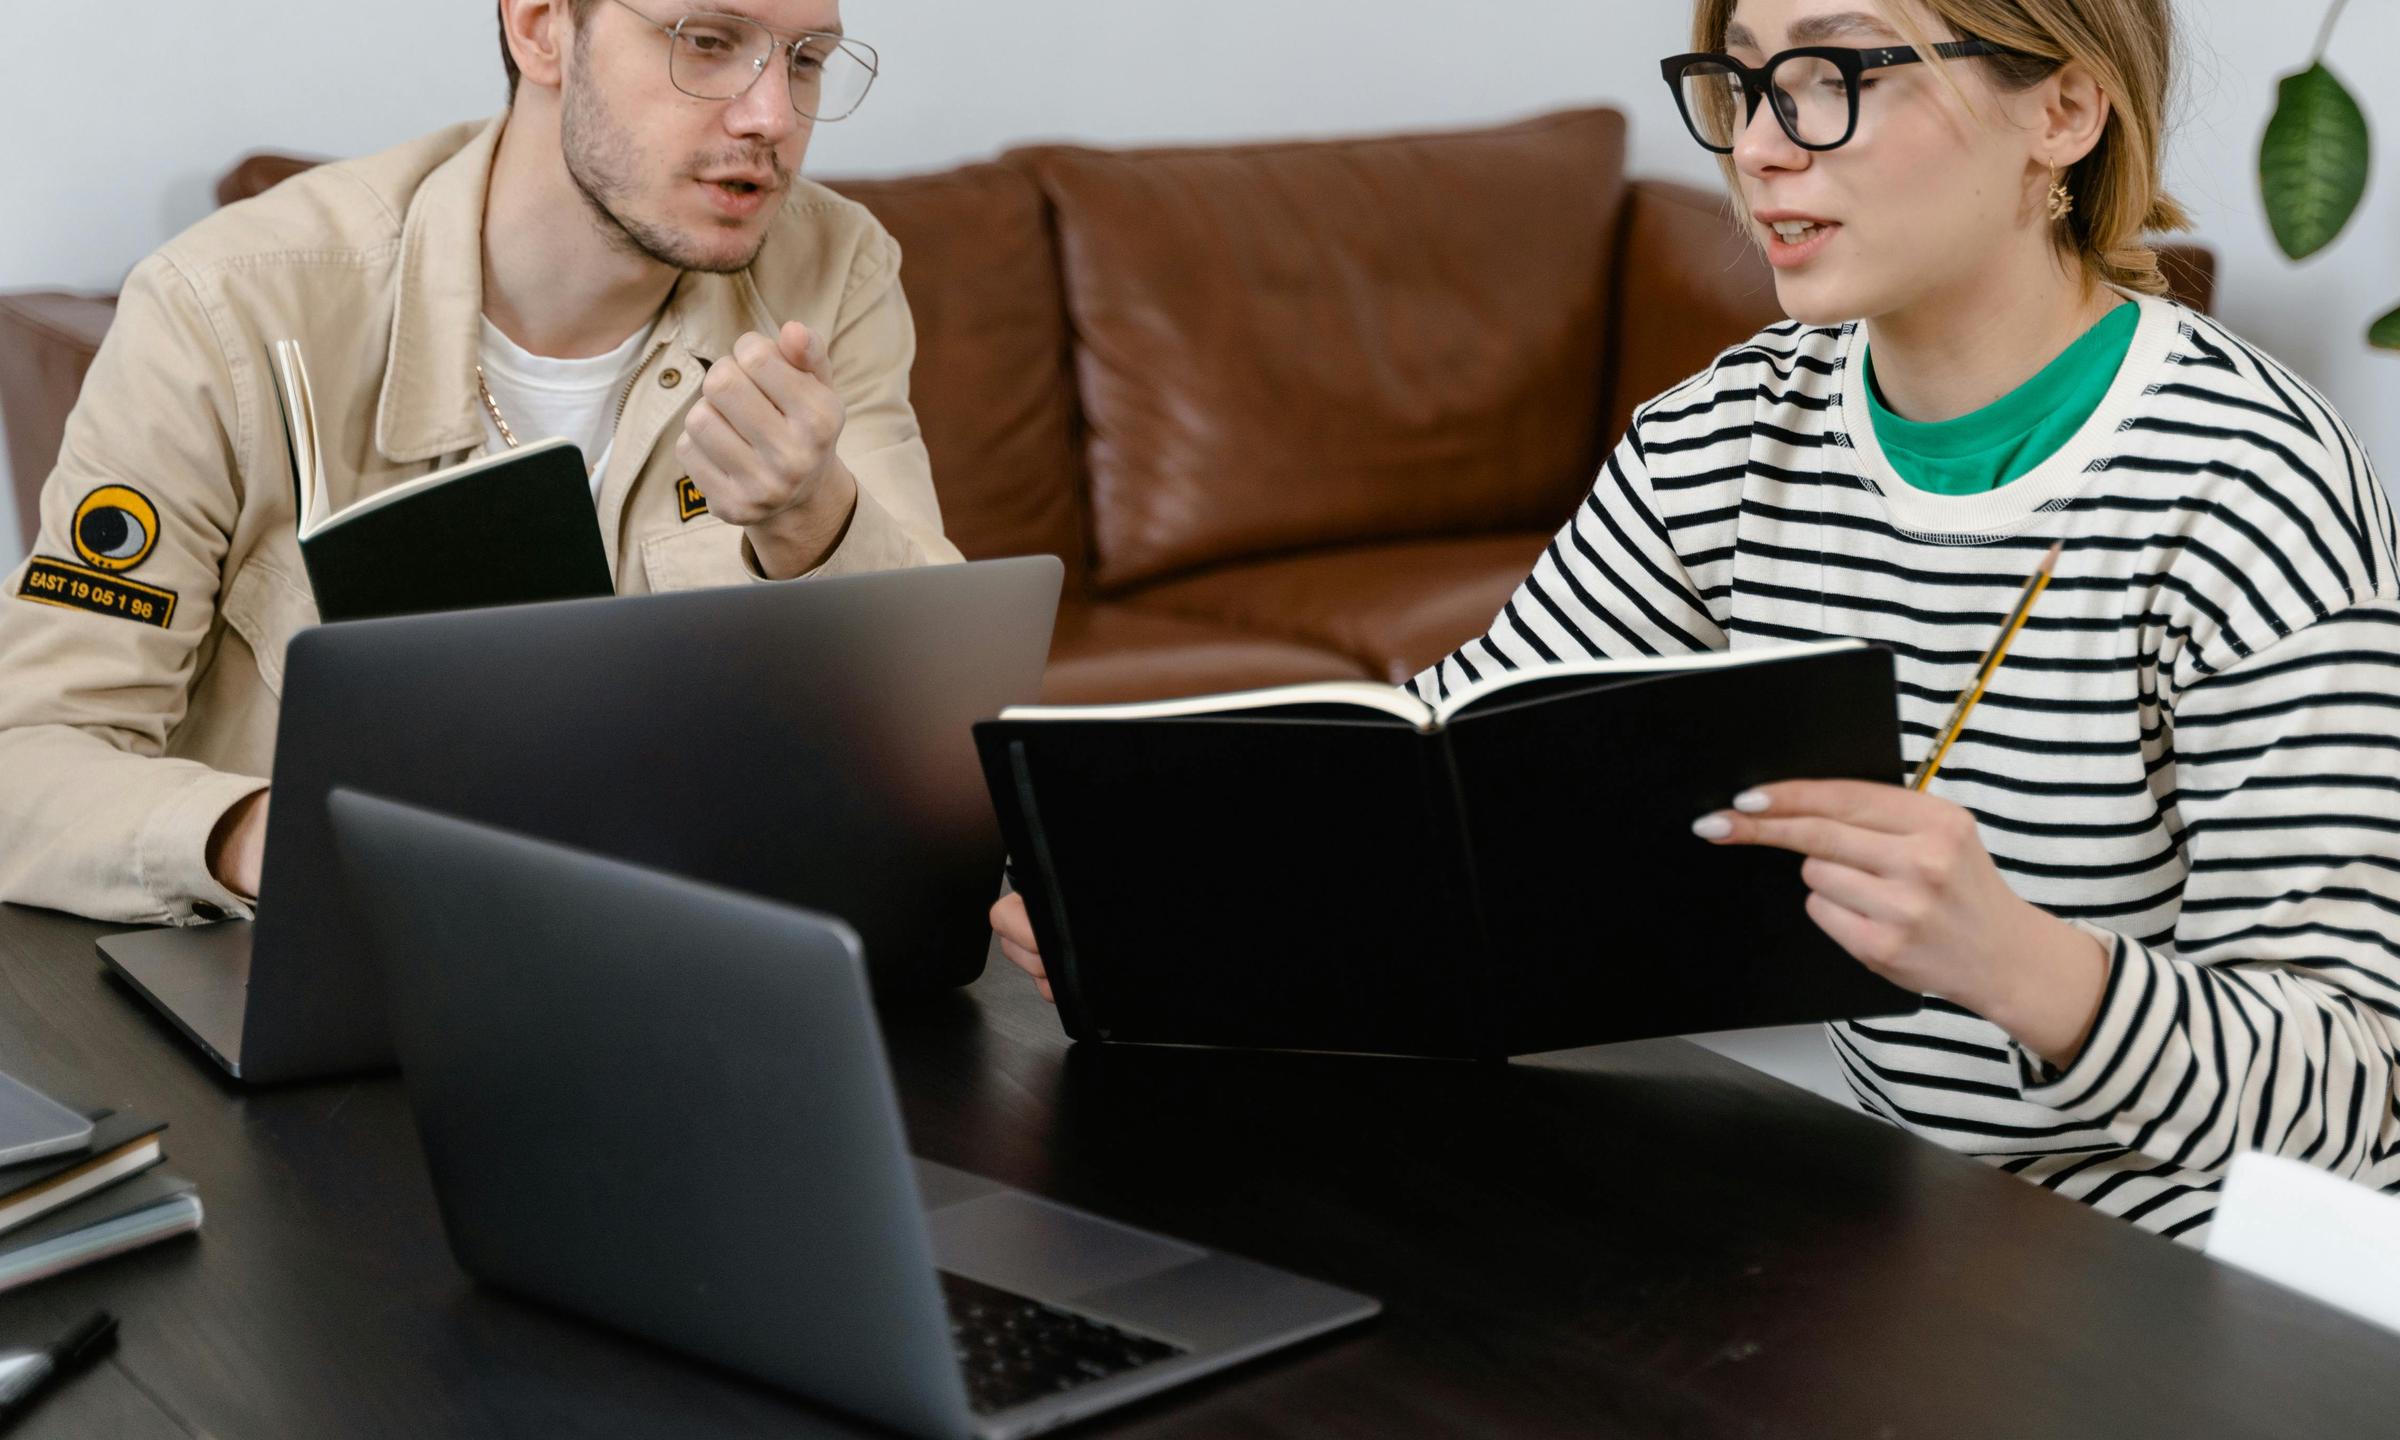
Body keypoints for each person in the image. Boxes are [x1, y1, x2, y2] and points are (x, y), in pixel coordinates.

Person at [994, 0, 2400, 1242]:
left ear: (2065, 108)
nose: (1765, 149)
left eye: (1841, 71)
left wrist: (2025, 966)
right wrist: (1185, 901)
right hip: (1907, 1233)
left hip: (2199, 1278)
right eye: (1744, 82)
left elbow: (2346, 1089)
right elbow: (1432, 772)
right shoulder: (1726, 436)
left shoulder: (2247, 483)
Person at [0, 0, 962, 925]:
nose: (772, 118)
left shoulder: (836, 270)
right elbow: (29, 757)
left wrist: (812, 518)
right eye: (706, 42)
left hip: (689, 952)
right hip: (325, 966)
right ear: (541, 26)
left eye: (807, 61)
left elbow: (942, 715)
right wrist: (269, 839)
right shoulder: (221, 308)